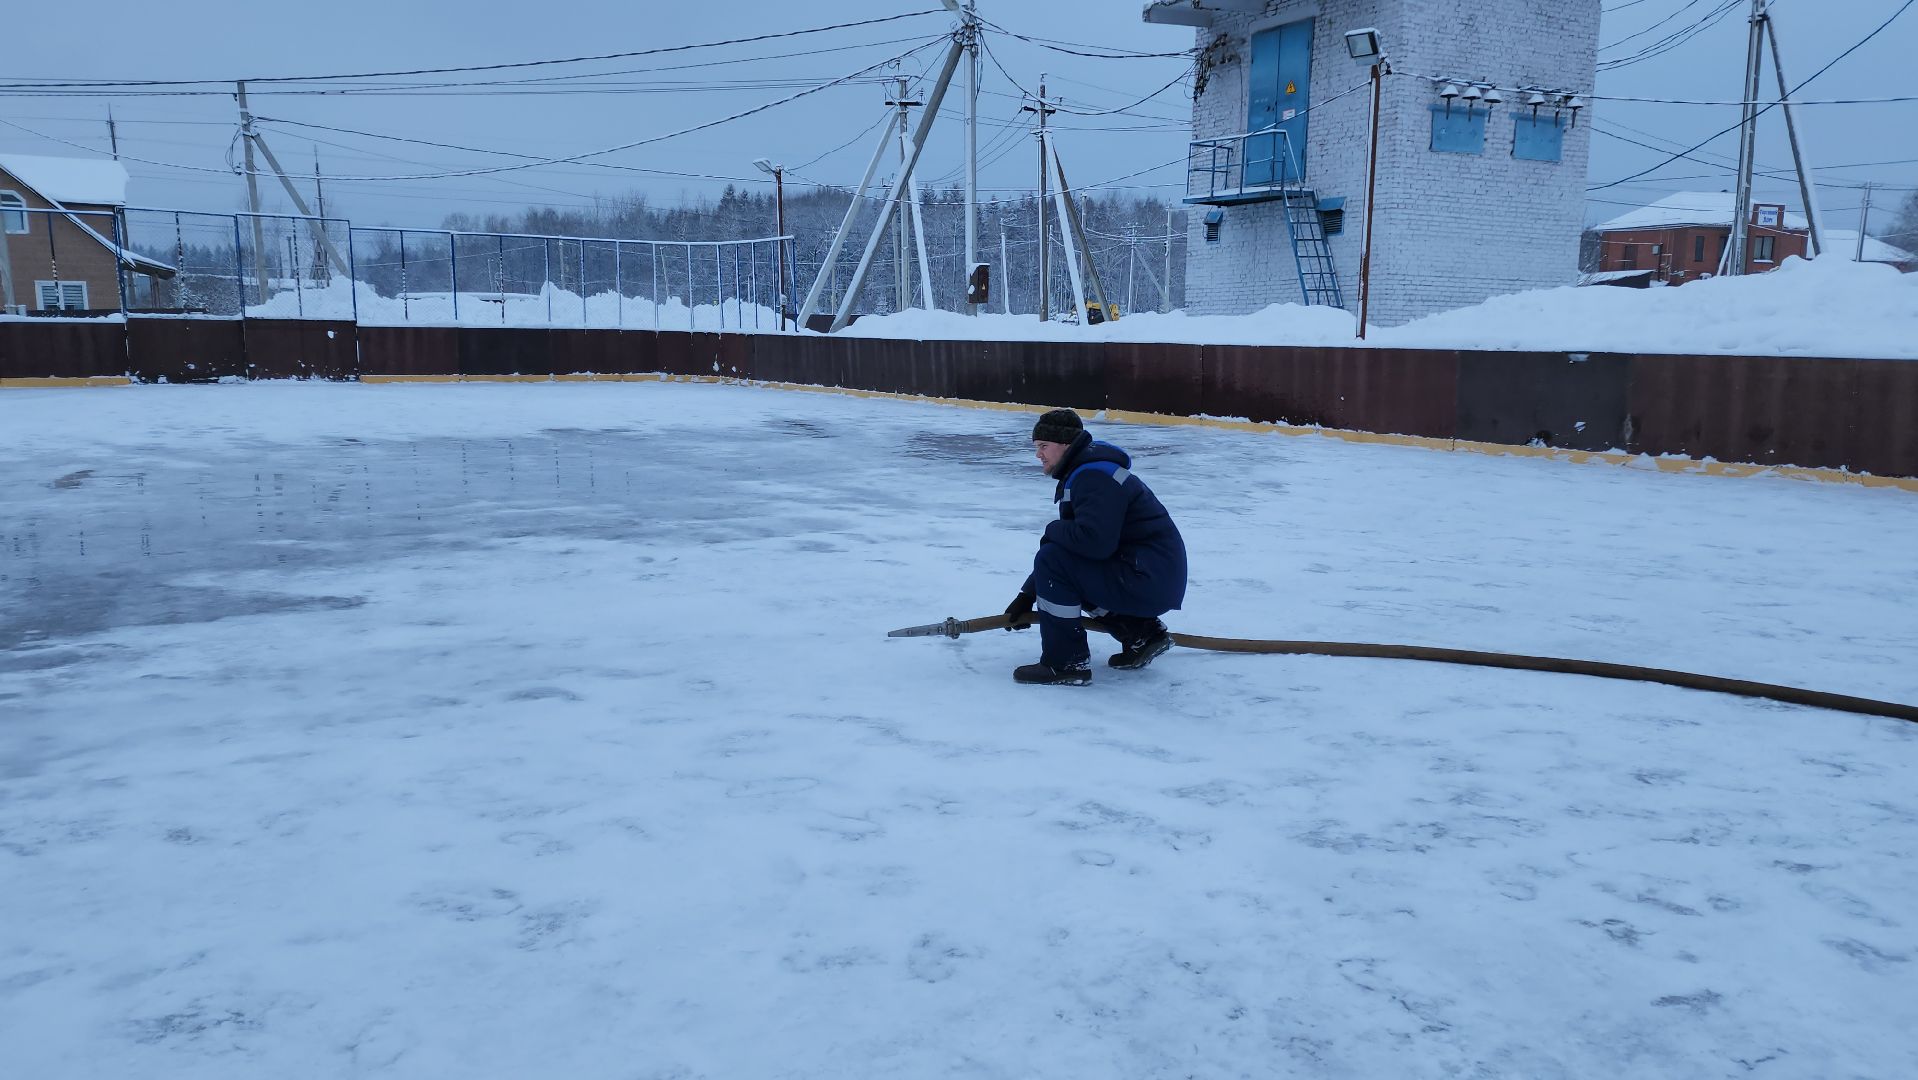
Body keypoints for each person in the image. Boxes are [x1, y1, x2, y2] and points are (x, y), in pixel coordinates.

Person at [1004, 408, 1188, 685]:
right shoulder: (1088, 472)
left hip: (1146, 577)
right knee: (1061, 561)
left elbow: (1093, 543)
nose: (1037, 454)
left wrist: (1051, 529)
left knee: (1055, 561)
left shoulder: (1093, 477)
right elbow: (1077, 549)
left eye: (1043, 446)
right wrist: (1027, 594)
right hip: (1148, 573)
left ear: (1065, 445)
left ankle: (1065, 662)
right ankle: (1141, 634)